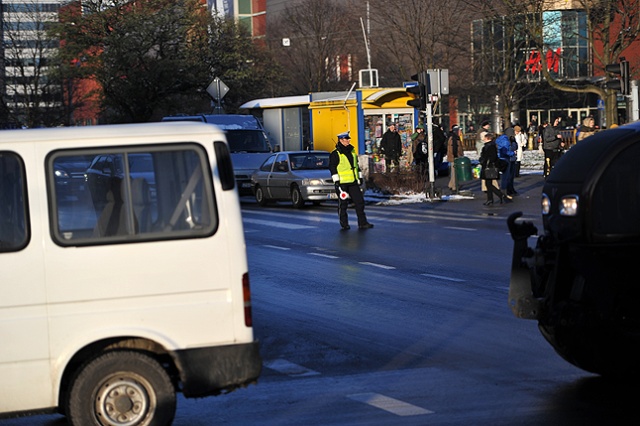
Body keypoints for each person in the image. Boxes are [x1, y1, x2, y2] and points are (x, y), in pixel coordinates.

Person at [329, 131, 373, 230]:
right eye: (346, 139)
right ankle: (344, 224)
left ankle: (363, 223)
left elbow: (356, 166)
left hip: (353, 182)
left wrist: (360, 177)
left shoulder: (352, 151)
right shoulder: (335, 154)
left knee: (359, 202)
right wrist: (336, 181)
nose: (348, 140)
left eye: (349, 139)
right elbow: (332, 167)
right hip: (342, 183)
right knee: (343, 204)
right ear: (341, 140)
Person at [480, 132, 509, 205]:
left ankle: (498, 196)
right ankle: (491, 199)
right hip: (489, 166)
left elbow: (492, 157)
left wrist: (484, 161)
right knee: (488, 183)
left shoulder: (490, 146)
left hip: (489, 167)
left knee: (488, 184)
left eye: (485, 138)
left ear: (488, 138)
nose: (483, 139)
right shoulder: (490, 145)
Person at [447, 125, 463, 191]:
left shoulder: (456, 137)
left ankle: (451, 184)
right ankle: (454, 186)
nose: (460, 132)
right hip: (454, 157)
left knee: (454, 172)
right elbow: (453, 148)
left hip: (455, 157)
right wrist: (456, 156)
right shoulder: (453, 138)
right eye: (459, 131)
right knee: (454, 172)